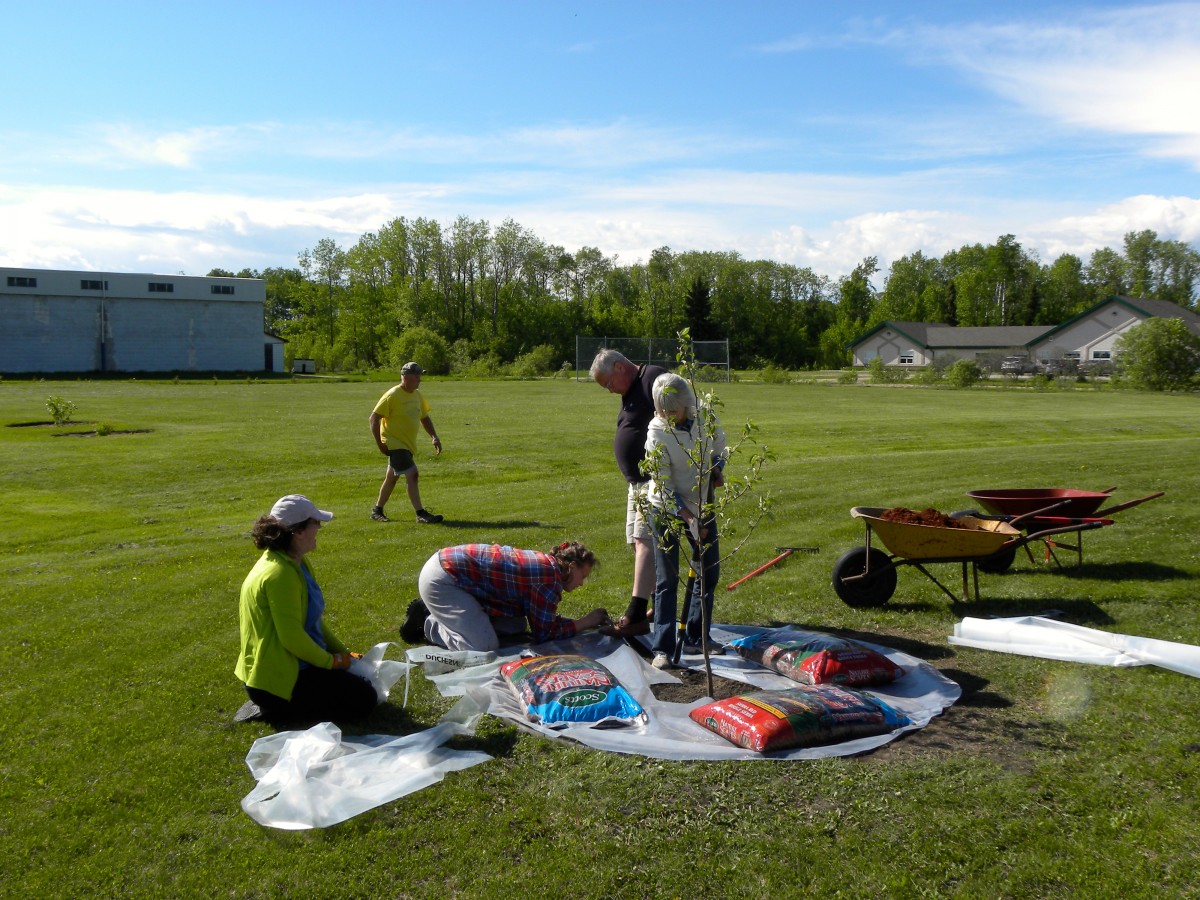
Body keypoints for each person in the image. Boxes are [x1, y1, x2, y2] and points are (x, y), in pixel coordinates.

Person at [234, 494, 378, 724]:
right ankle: (273, 707)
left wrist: (344, 654)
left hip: (293, 667)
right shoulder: (279, 574)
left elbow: (313, 620)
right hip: (276, 681)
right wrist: (331, 662)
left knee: (362, 686)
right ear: (297, 531)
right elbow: (291, 638)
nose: (319, 528)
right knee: (364, 699)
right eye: (315, 522)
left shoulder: (296, 562)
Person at [643, 372, 727, 668]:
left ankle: (696, 637)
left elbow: (719, 443)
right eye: (663, 411)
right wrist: (690, 519)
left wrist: (717, 468)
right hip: (666, 508)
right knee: (667, 578)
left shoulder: (704, 414)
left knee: (709, 571)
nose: (668, 417)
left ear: (686, 404)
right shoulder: (657, 433)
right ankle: (662, 648)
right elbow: (663, 485)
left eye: (673, 411)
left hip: (702, 501)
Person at [401, 542, 610, 652]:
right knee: (483, 647)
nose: (581, 583)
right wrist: (585, 622)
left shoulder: (548, 568)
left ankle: (443, 612)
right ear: (571, 567)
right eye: (583, 576)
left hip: (450, 571)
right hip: (443, 581)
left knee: (515, 626)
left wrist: (579, 622)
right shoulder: (549, 579)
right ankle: (428, 622)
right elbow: (545, 634)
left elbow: (542, 622)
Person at [589, 348, 667, 637]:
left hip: (654, 480)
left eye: (609, 383)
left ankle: (635, 614)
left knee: (645, 540)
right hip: (637, 482)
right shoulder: (633, 387)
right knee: (637, 543)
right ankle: (660, 604)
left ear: (620, 367)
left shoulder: (653, 378)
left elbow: (680, 417)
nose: (610, 391)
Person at [370, 361, 444, 524]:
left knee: (391, 478)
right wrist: (380, 444)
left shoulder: (417, 395)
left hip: (407, 444)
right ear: (405, 377)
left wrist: (434, 436)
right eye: (416, 376)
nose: (419, 379)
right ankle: (420, 513)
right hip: (394, 443)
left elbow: (424, 417)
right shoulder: (392, 395)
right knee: (412, 473)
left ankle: (377, 510)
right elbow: (373, 418)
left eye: (420, 376)